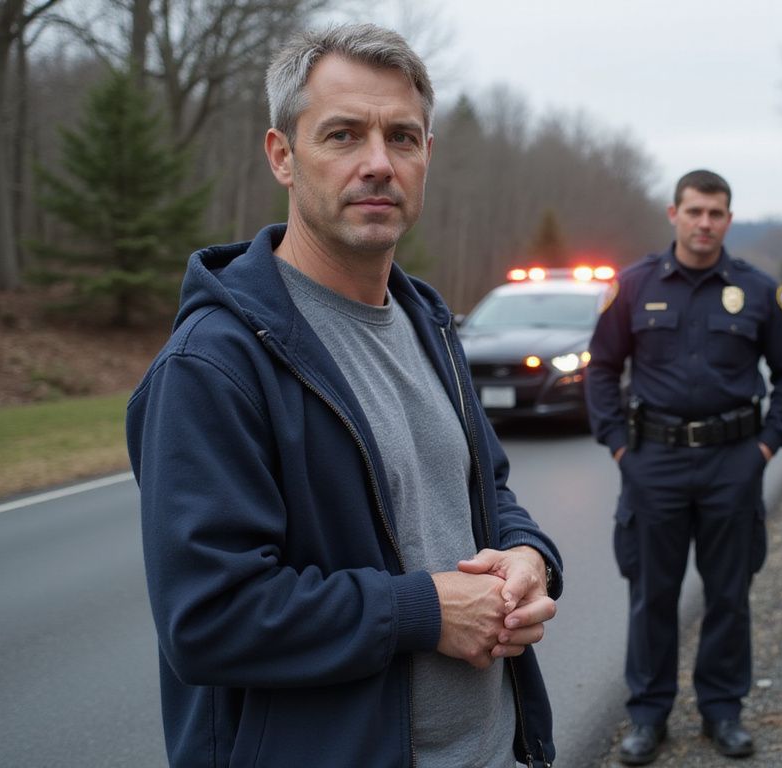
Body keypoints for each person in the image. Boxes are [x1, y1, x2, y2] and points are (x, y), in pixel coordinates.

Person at [126, 24, 562, 768]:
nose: (378, 163)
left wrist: (530, 555)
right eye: (343, 134)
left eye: (403, 137)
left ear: (427, 156)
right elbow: (208, 618)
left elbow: (485, 491)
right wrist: (423, 611)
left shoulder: (428, 324)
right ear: (282, 156)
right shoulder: (214, 364)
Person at [586, 170, 782, 764]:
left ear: (729, 220)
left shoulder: (757, 291)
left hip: (732, 462)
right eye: (695, 211)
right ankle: (648, 715)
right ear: (674, 214)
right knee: (652, 594)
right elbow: (602, 368)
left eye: (715, 213)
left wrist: (767, 447)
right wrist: (619, 446)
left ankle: (722, 711)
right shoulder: (634, 286)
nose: (704, 223)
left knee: (729, 595)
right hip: (653, 462)